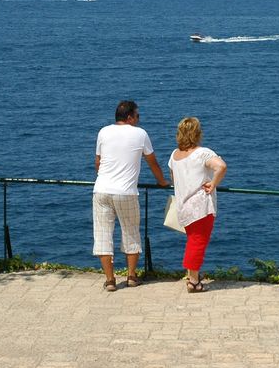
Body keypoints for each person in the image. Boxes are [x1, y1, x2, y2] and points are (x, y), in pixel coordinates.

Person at [93, 100, 170, 291]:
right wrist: (162, 182)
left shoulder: (103, 131)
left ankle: (110, 280)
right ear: (129, 117)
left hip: (101, 189)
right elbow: (153, 163)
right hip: (126, 192)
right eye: (137, 115)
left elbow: (98, 163)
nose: (139, 119)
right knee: (131, 233)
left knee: (103, 235)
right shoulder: (140, 134)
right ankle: (131, 276)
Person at [167, 117, 227, 293]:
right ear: (197, 133)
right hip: (201, 206)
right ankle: (193, 281)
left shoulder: (174, 155)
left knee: (192, 241)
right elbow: (221, 167)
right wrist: (213, 183)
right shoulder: (203, 153)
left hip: (183, 205)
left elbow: (173, 179)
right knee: (198, 242)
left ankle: (192, 275)